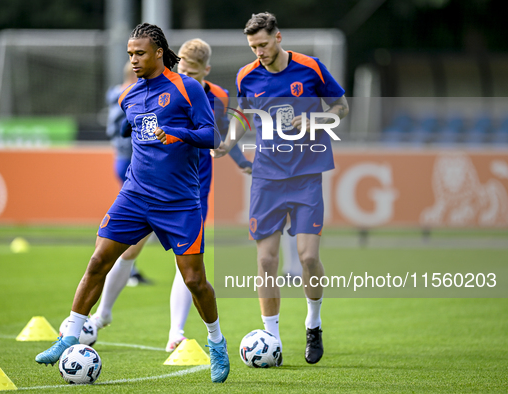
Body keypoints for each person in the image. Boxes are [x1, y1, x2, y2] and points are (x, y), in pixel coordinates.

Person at [36, 23, 230, 384]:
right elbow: (130, 130)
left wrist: (177, 134)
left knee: (195, 280)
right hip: (135, 196)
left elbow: (211, 135)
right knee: (98, 261)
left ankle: (216, 343)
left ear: (159, 52)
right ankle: (67, 336)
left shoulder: (186, 88)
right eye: (130, 54)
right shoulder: (129, 96)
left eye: (140, 53)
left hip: (179, 202)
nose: (134, 59)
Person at [92, 38, 252, 353]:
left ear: (206, 70)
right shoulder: (165, 87)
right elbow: (132, 121)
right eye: (184, 69)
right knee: (128, 251)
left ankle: (175, 332)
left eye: (194, 71)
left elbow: (220, 136)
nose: (187, 75)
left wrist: (241, 159)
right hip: (149, 187)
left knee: (188, 264)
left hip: (190, 191)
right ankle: (101, 316)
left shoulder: (216, 97)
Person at [213, 12, 349, 366]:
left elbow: (342, 107)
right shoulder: (247, 75)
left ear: (278, 37)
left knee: (307, 257)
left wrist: (318, 120)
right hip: (267, 177)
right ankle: (271, 338)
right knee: (266, 260)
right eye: (253, 46)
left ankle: (313, 324)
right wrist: (228, 143)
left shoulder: (311, 68)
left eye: (263, 44)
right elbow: (243, 115)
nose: (258, 51)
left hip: (307, 174)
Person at [104, 61, 151, 288]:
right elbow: (120, 130)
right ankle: (126, 267)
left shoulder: (116, 95)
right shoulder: (128, 95)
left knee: (139, 218)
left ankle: (129, 267)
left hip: (123, 160)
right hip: (130, 160)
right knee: (141, 220)